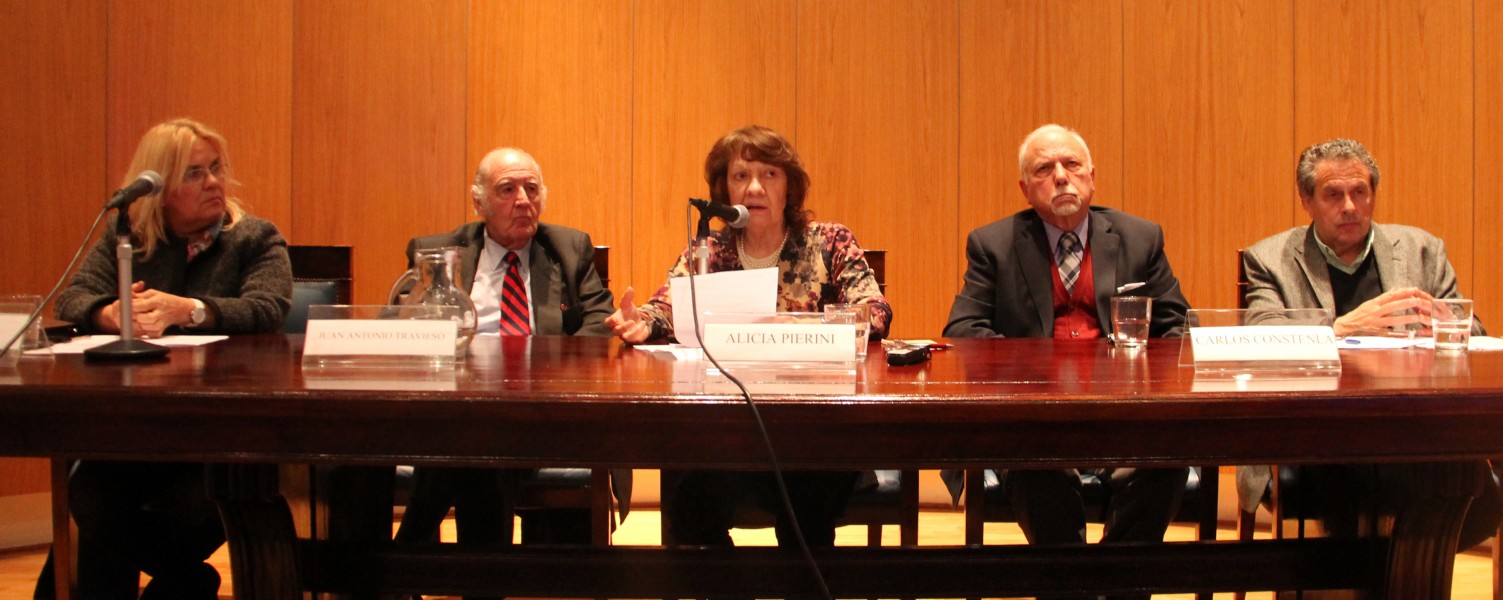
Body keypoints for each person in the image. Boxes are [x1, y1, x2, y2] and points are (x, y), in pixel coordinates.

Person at [36, 118, 292, 599]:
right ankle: (188, 580)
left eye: (216, 168)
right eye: (194, 174)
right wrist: (110, 313)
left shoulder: (253, 237)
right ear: (158, 186)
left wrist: (189, 310)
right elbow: (72, 298)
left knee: (202, 503)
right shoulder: (130, 236)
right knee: (89, 494)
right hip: (137, 427)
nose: (214, 182)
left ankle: (179, 582)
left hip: (222, 432)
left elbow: (268, 306)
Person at [605, 125, 892, 548]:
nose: (754, 187)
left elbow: (876, 310)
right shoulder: (709, 249)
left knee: (806, 514)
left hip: (815, 432)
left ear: (789, 187)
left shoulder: (829, 241)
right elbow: (667, 305)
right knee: (688, 502)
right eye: (741, 176)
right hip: (729, 431)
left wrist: (802, 326)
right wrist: (643, 322)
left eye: (769, 175)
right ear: (724, 188)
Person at [942, 124, 1190, 600]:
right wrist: (1034, 376)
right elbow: (963, 331)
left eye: (1072, 165)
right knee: (1036, 465)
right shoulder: (992, 245)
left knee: (1166, 463)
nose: (1061, 177)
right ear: (1025, 188)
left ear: (1092, 178)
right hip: (1035, 419)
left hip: (1126, 415)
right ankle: (1069, 590)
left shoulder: (1141, 238)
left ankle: (1117, 588)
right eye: (1044, 169)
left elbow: (1177, 327)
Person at [1239, 137, 1500, 549]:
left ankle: (1408, 574)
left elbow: (1474, 333)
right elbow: (1262, 335)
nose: (1349, 206)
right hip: (1314, 434)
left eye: (1360, 192)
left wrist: (1444, 326)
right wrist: (1339, 327)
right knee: (1356, 488)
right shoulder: (1270, 259)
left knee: (1465, 477)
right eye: (1333, 194)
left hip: (1414, 427)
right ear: (1307, 200)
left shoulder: (1422, 250)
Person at [387, 148, 623, 590]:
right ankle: (479, 584)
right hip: (460, 405)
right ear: (478, 202)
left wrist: (544, 371)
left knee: (475, 439)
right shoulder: (436, 253)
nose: (523, 200)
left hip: (544, 407)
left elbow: (599, 323)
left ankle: (401, 562)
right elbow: (402, 323)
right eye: (507, 190)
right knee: (477, 437)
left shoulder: (569, 248)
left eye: (532, 189)